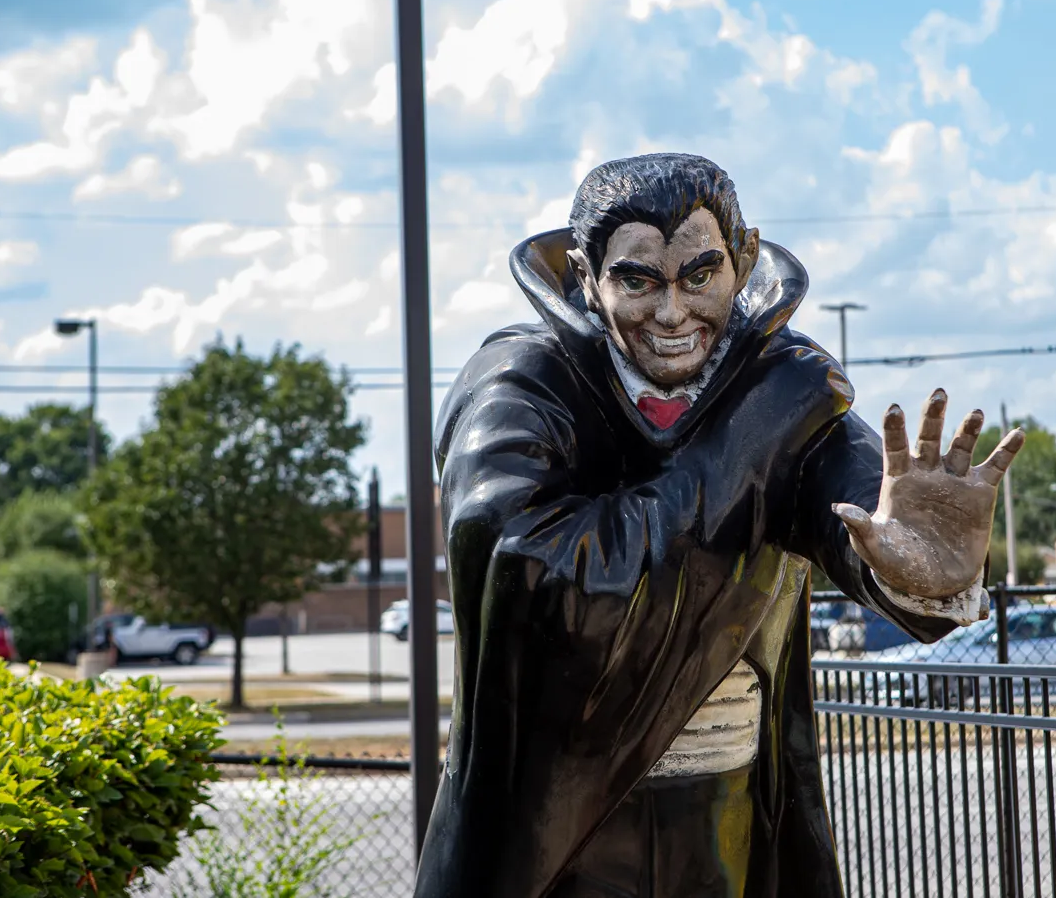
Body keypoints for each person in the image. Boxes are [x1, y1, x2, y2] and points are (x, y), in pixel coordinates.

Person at [415, 153, 1024, 898]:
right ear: (584, 276)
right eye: (637, 280)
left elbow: (862, 506)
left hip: (727, 828)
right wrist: (751, 437)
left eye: (699, 275)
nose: (672, 313)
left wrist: (917, 565)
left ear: (740, 260)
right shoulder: (523, 385)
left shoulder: (777, 383)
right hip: (557, 847)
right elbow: (541, 578)